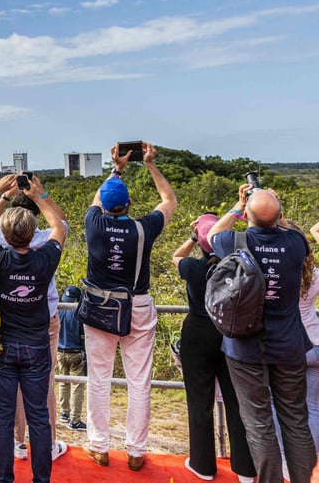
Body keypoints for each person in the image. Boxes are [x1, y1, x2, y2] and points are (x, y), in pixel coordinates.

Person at [207, 186, 316, 483]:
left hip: (245, 349)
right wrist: (272, 202)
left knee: (258, 423)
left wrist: (238, 205)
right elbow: (279, 223)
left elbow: (212, 234)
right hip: (289, 346)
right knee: (296, 420)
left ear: (246, 217)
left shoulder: (234, 241)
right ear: (280, 214)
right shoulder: (297, 244)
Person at [81, 142, 176, 471]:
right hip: (137, 304)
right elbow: (169, 201)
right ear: (130, 204)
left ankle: (99, 445)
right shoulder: (143, 228)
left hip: (100, 308)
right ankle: (136, 451)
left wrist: (116, 168)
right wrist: (150, 165)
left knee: (99, 378)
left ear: (105, 207)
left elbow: (97, 199)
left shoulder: (94, 223)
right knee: (139, 381)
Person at [0, 174, 66, 483]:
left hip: (2, 347)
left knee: (3, 414)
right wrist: (40, 195)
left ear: (7, 233)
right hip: (37, 346)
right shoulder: (45, 259)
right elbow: (60, 226)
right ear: (31, 233)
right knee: (39, 415)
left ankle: (4, 478)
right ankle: (41, 479)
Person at [172, 213, 255, 483]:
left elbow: (175, 257)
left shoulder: (193, 268)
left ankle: (203, 465)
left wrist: (192, 238)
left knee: (199, 400)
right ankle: (245, 469)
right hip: (233, 333)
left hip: (198, 332)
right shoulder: (240, 266)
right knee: (238, 401)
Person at [55, 286, 86, 431]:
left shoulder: (59, 310)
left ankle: (64, 412)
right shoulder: (79, 312)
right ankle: (75, 419)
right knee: (77, 386)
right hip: (76, 352)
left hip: (60, 351)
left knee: (63, 383)